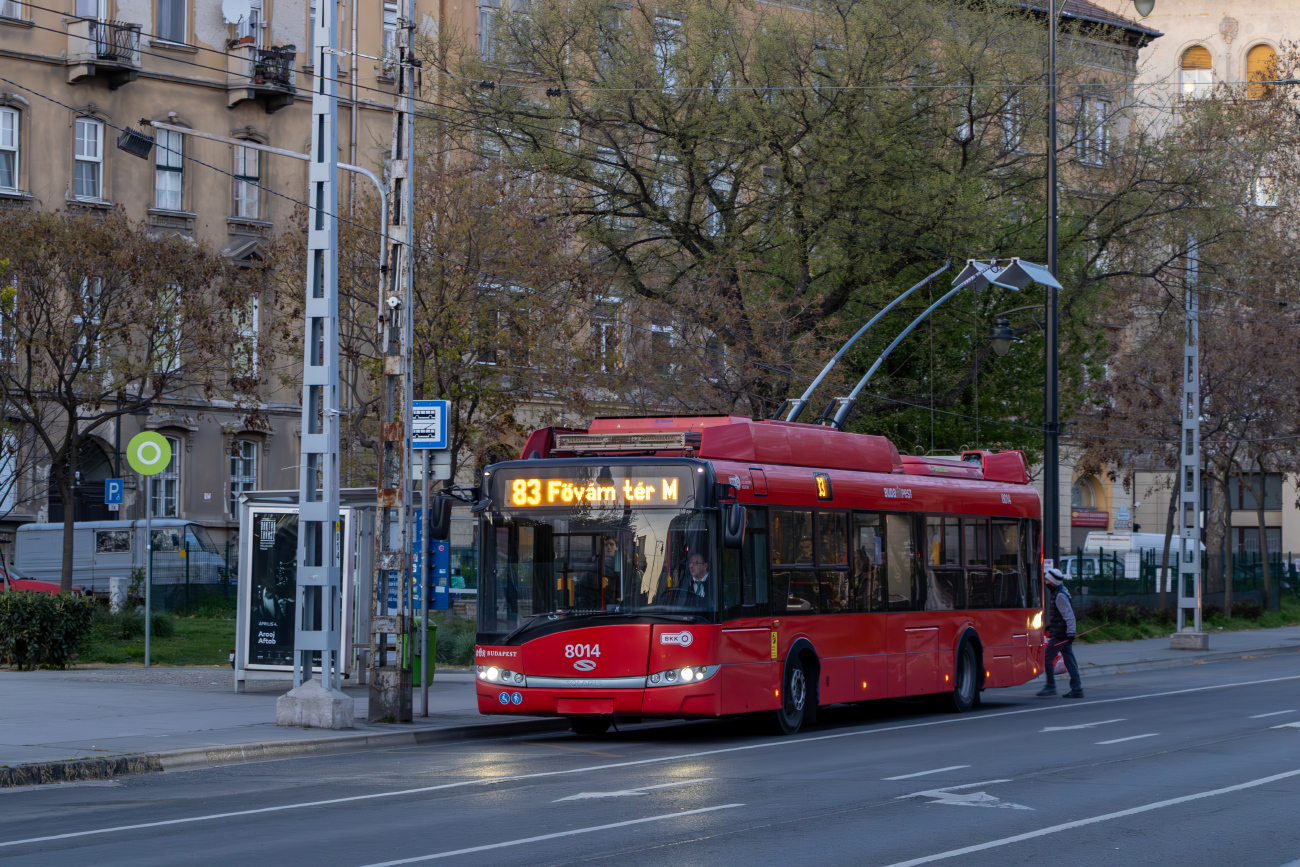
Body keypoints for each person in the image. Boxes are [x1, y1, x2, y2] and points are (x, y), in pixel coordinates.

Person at [1037, 567, 1084, 698]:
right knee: (1070, 661)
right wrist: (1050, 626)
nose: (1045, 582)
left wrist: (1070, 633)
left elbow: (1069, 616)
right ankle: (1077, 688)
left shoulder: (1060, 595)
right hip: (1061, 632)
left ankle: (1051, 686)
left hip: (1061, 635)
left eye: (1047, 580)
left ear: (1052, 582)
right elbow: (1060, 615)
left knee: (1047, 658)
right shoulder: (1060, 592)